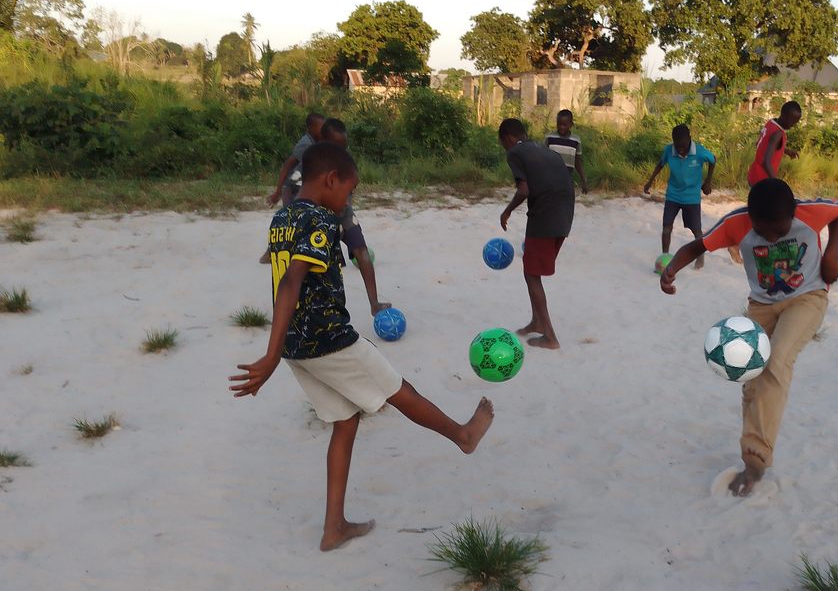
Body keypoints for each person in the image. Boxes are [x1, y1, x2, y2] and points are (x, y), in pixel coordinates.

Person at [230, 142, 494, 551]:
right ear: (330, 179)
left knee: (346, 420)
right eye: (348, 191)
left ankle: (333, 526)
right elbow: (292, 282)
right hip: (329, 339)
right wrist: (269, 355)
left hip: (298, 347)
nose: (348, 200)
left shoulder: (283, 217)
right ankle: (462, 435)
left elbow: (286, 280)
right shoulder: (320, 219)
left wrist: (280, 351)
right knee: (398, 389)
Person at [659, 179, 838, 497]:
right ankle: (752, 444)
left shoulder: (811, 212)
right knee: (750, 375)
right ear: (751, 218)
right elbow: (697, 246)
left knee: (776, 360)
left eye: (781, 231)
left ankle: (756, 457)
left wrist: (833, 254)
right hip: (761, 306)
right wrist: (672, 270)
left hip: (808, 298)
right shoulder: (736, 223)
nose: (773, 238)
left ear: (793, 213)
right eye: (764, 232)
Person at [498, 117, 575, 350]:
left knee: (532, 275)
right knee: (531, 270)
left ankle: (550, 336)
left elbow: (524, 190)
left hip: (545, 216)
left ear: (508, 138)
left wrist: (507, 211)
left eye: (503, 143)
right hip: (565, 214)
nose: (504, 148)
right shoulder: (546, 150)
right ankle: (537, 322)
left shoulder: (515, 153)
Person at [316, 117, 391, 315]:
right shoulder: (314, 161)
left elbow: (352, 185)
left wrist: (345, 200)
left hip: (344, 213)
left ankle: (374, 303)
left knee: (362, 252)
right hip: (320, 217)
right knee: (325, 267)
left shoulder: (345, 161)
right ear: (323, 141)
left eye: (344, 146)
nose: (341, 150)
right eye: (336, 145)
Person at [643, 124, 716, 269]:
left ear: (689, 139)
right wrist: (650, 181)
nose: (680, 149)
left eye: (683, 145)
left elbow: (713, 160)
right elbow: (660, 164)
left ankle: (700, 255)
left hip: (691, 197)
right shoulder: (669, 150)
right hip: (673, 195)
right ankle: (665, 257)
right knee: (666, 227)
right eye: (677, 145)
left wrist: (708, 182)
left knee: (696, 230)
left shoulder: (699, 152)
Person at [260, 112, 325, 263]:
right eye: (320, 127)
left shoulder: (317, 142)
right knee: (289, 220)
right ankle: (270, 252)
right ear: (311, 128)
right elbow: (287, 167)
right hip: (290, 188)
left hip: (302, 189)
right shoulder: (305, 144)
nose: (323, 130)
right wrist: (277, 192)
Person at [747, 101, 802, 186]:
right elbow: (766, 162)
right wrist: (776, 184)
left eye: (795, 122)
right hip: (762, 179)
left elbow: (761, 144)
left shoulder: (771, 123)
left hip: (754, 174)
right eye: (792, 122)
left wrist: (787, 151)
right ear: (784, 116)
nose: (793, 125)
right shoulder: (778, 134)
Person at [544, 109, 588, 194]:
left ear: (571, 124)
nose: (561, 127)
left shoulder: (575, 140)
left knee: (566, 201)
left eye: (564, 125)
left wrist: (584, 181)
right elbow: (543, 159)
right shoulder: (549, 138)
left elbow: (578, 162)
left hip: (567, 181)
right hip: (550, 180)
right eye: (559, 124)